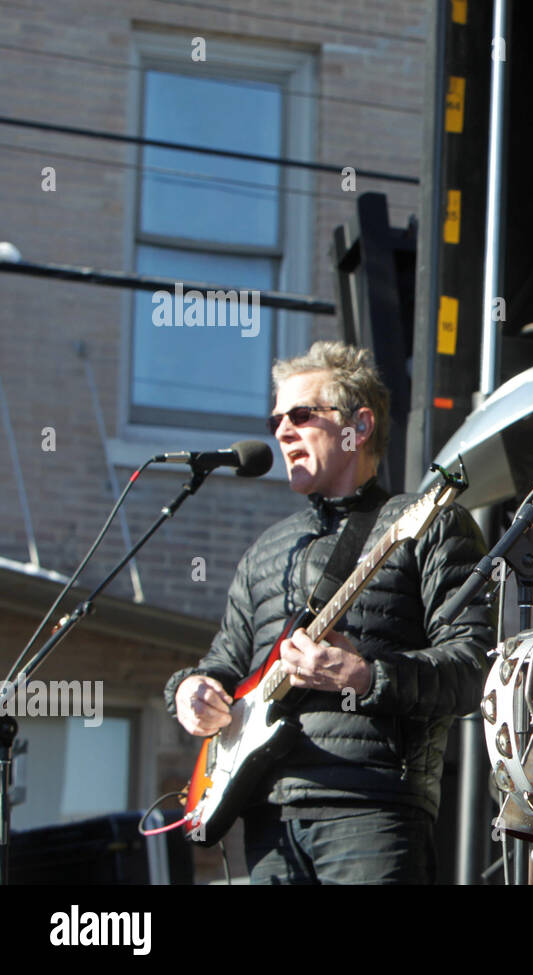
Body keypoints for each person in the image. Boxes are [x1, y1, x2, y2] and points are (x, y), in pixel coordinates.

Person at [165, 341, 493, 884]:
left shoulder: (429, 527)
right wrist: (190, 690)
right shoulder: (267, 551)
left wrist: (365, 676)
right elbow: (225, 664)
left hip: (372, 806)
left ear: (358, 427)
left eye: (300, 415)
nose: (282, 431)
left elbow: (474, 669)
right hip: (267, 812)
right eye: (275, 419)